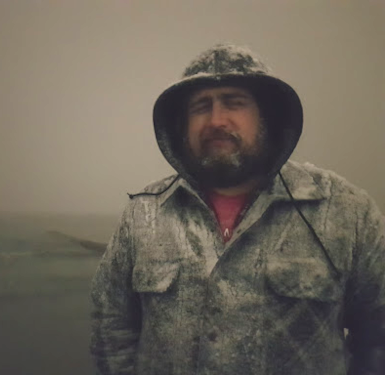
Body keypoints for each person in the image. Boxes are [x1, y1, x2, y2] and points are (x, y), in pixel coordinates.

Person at [90, 43, 385, 375]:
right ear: (181, 126)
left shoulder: (345, 211)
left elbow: (377, 338)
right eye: (201, 106)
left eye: (234, 102)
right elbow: (111, 329)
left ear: (267, 117)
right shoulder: (143, 215)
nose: (216, 120)